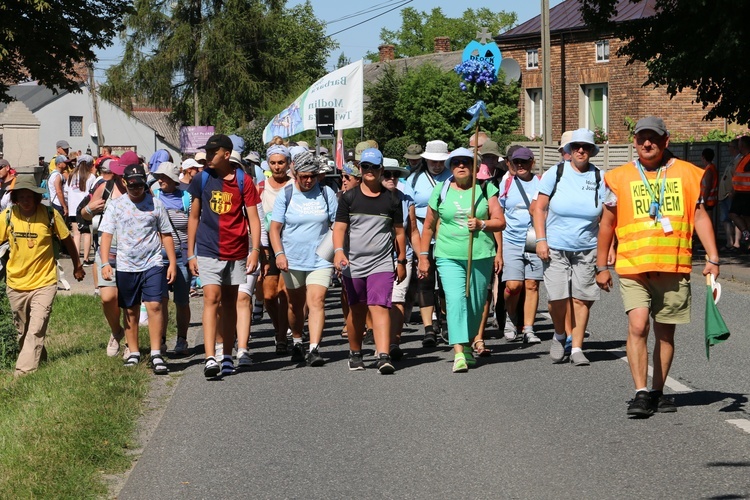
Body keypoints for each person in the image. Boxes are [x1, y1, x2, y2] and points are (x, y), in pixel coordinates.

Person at [595, 116, 720, 417]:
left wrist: (714, 259)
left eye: (653, 138)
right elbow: (607, 223)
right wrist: (601, 265)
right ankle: (640, 392)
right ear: (634, 142)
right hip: (633, 266)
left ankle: (658, 391)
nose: (647, 143)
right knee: (638, 325)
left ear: (666, 141)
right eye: (641, 138)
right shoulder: (618, 177)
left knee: (666, 335)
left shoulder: (690, 174)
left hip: (673, 267)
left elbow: (700, 216)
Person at [418, 147, 504, 373]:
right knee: (456, 300)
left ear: (475, 167)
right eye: (456, 163)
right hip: (448, 255)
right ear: (450, 167)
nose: (461, 166)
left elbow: (500, 221)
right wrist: (423, 256)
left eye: (466, 162)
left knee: (475, 305)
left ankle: (466, 344)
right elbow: (428, 225)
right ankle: (458, 353)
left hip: (480, 255)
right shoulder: (441, 189)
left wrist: (482, 224)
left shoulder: (486, 189)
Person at [187, 134, 262, 378]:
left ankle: (228, 355)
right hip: (209, 248)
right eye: (207, 152)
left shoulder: (243, 180)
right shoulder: (201, 179)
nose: (207, 157)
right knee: (211, 298)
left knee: (230, 303)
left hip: (237, 250)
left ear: (227, 154)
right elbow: (194, 217)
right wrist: (191, 254)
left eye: (213, 153)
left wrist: (255, 250)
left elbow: (253, 219)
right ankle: (210, 357)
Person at [532, 128, 607, 366]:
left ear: (592, 151)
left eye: (585, 147)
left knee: (581, 299)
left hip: (587, 247)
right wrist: (541, 240)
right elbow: (539, 209)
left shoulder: (600, 178)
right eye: (576, 147)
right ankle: (559, 334)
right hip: (555, 245)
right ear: (569, 151)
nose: (581, 151)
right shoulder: (556, 172)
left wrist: (608, 249)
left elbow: (607, 218)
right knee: (557, 298)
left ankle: (576, 347)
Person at [0, 175, 85, 376]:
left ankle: (23, 372)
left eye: (29, 196)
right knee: (24, 331)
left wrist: (77, 265)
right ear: (14, 198)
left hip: (44, 281)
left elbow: (67, 240)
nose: (25, 200)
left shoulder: (49, 214)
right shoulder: (7, 216)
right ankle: (41, 360)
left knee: (36, 328)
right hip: (16, 282)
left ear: (37, 198)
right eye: (21, 196)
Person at [99, 162, 177, 374]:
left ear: (145, 183)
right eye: (132, 186)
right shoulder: (116, 205)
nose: (136, 190)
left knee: (155, 306)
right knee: (130, 310)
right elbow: (106, 235)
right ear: (124, 183)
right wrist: (105, 263)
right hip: (126, 265)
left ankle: (155, 353)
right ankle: (133, 352)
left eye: (140, 186)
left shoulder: (156, 204)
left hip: (152, 262)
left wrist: (171, 263)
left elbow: (166, 234)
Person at [333, 148, 406, 374]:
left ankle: (383, 355)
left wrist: (401, 259)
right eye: (365, 167)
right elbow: (340, 228)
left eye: (374, 167)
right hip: (353, 264)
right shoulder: (349, 198)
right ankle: (355, 352)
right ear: (361, 169)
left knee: (380, 305)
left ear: (381, 170)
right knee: (357, 310)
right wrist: (338, 252)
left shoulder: (392, 199)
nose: (370, 171)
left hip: (381, 263)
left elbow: (399, 232)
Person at [269, 151, 338, 366]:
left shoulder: (327, 194)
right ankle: (297, 339)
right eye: (304, 176)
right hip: (292, 258)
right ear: (295, 174)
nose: (309, 180)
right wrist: (279, 254)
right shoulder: (287, 194)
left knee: (316, 301)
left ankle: (314, 348)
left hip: (320, 259)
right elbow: (275, 229)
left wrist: (333, 253)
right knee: (294, 305)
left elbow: (336, 226)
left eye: (313, 176)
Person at [80, 156, 129, 356]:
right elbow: (84, 214)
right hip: (106, 251)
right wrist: (90, 209)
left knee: (128, 300)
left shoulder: (140, 188)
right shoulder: (105, 188)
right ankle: (116, 331)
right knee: (108, 298)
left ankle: (130, 344)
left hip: (132, 253)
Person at [407, 139, 452, 347]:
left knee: (445, 284)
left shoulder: (452, 177)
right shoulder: (414, 179)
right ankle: (428, 328)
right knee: (425, 281)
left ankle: (444, 323)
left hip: (447, 236)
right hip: (422, 235)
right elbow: (410, 210)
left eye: (440, 161)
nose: (437, 165)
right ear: (426, 160)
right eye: (433, 161)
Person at [499, 147, 543, 344]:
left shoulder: (541, 182)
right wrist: (498, 249)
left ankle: (528, 328)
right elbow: (498, 215)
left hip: (534, 239)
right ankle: (511, 317)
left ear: (532, 162)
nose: (520, 165)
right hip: (511, 239)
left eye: (524, 162)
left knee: (532, 285)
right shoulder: (507, 182)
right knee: (513, 285)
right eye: (516, 162)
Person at [151, 161, 192, 356]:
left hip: (182, 256)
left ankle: (182, 339)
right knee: (160, 301)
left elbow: (194, 227)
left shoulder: (186, 199)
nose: (160, 180)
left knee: (182, 301)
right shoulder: (154, 196)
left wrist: (194, 255)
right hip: (159, 258)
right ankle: (161, 340)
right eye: (159, 177)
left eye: (164, 177)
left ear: (174, 180)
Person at [381, 157, 420, 358]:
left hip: (402, 256)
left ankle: (394, 342)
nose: (392, 178)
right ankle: (380, 338)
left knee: (397, 299)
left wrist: (423, 256)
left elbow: (413, 230)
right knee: (379, 302)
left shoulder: (406, 200)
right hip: (375, 257)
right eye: (387, 174)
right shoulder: (370, 198)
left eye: (395, 174)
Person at [259, 144, 293, 354]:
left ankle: (282, 338)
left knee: (284, 292)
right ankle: (280, 328)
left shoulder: (294, 186)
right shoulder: (261, 187)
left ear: (288, 164)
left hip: (291, 243)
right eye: (273, 163)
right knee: (268, 295)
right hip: (268, 244)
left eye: (281, 163)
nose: (277, 167)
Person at [65, 154, 97, 266]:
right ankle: (86, 259)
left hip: (73, 207)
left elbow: (66, 192)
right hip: (85, 208)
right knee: (87, 233)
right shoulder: (91, 177)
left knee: (76, 234)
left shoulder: (71, 175)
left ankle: (77, 258)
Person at [728, 136, 750, 248]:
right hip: (740, 193)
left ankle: (746, 234)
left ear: (743, 145)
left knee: (738, 214)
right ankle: (746, 234)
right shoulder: (743, 158)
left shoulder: (748, 158)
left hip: (746, 193)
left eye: (739, 144)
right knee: (741, 215)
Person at [719, 139, 740, 251]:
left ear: (735, 148)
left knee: (735, 218)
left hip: (731, 194)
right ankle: (729, 242)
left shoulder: (739, 160)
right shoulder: (733, 160)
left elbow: (736, 177)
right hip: (725, 195)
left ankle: (736, 243)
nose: (728, 149)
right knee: (725, 218)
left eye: (730, 146)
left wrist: (733, 190)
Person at [700, 148, 718, 219]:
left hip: (708, 200)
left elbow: (708, 187)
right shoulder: (711, 168)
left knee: (708, 220)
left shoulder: (709, 170)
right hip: (710, 199)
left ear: (703, 157)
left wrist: (703, 201)